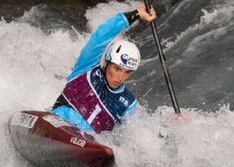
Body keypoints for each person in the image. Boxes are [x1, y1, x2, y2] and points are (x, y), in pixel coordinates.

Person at [52, 5, 157, 134]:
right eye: (117, 69)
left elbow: (148, 133)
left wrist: (173, 127)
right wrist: (136, 14)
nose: (120, 77)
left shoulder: (128, 104)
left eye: (127, 72)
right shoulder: (86, 68)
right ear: (107, 62)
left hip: (87, 145)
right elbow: (100, 37)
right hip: (57, 125)